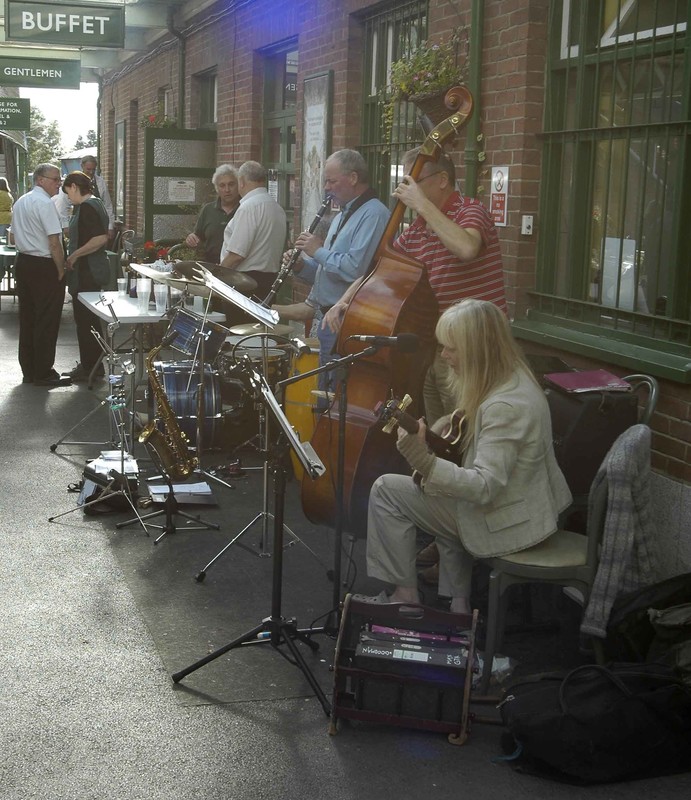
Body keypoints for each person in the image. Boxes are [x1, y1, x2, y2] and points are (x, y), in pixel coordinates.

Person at [364, 299, 572, 613]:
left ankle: (406, 598)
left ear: (477, 350)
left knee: (386, 491)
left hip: (507, 523)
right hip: (522, 507)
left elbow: (482, 487)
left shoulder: (505, 406)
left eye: (451, 349)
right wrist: (449, 425)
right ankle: (457, 605)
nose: (444, 356)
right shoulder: (512, 377)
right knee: (443, 486)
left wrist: (423, 458)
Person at [324, 149, 506, 423]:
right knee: (439, 431)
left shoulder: (470, 210)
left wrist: (422, 205)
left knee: (468, 431)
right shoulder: (418, 229)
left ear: (442, 179)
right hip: (436, 346)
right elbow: (379, 268)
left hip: (472, 347)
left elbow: (466, 248)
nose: (407, 189)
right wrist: (345, 301)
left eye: (414, 181)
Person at [272, 149, 389, 390]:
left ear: (353, 178)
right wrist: (302, 265)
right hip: (326, 318)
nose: (326, 187)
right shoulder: (341, 215)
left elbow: (355, 270)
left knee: (334, 395)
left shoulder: (374, 214)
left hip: (347, 322)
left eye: (331, 181)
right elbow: (328, 270)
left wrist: (317, 250)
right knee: (322, 393)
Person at [11, 163, 71, 387]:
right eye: (55, 179)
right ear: (40, 180)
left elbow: (12, 238)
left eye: (60, 179)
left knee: (28, 318)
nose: (59, 184)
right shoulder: (45, 203)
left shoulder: (21, 201)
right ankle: (43, 371)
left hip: (24, 262)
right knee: (47, 319)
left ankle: (30, 369)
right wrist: (60, 269)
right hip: (43, 265)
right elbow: (54, 242)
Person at [218, 160, 286, 319]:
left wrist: (217, 275)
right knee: (259, 334)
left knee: (237, 333)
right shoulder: (277, 207)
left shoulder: (248, 207)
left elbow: (237, 254)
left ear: (241, 181)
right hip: (269, 281)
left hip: (245, 282)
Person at [62, 171, 111, 382]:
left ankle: (91, 366)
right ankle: (92, 364)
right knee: (88, 321)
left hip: (87, 272)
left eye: (67, 192)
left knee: (86, 321)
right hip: (89, 270)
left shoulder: (88, 206)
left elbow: (100, 238)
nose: (67, 197)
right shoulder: (95, 203)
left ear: (74, 186)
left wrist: (74, 255)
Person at [185, 164, 240, 263]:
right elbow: (198, 236)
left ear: (239, 185)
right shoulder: (208, 210)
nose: (227, 190)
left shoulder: (245, 209)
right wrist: (191, 238)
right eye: (222, 185)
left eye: (231, 184)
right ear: (217, 189)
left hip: (239, 269)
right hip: (211, 268)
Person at [80, 155, 115, 241]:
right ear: (82, 166)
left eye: (93, 169)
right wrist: (65, 225)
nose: (91, 172)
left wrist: (110, 226)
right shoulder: (75, 181)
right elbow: (63, 205)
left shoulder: (101, 182)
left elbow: (107, 205)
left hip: (98, 224)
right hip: (80, 224)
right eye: (88, 169)